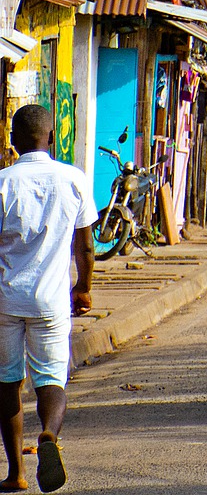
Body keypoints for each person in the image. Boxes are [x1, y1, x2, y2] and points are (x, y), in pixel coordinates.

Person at [0, 105, 96, 493]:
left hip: (6, 301)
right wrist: (83, 286)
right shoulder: (73, 179)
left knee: (7, 381)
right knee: (51, 379)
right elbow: (86, 246)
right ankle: (49, 437)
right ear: (52, 138)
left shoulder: (3, 182)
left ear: (12, 141)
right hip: (52, 302)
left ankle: (16, 473)